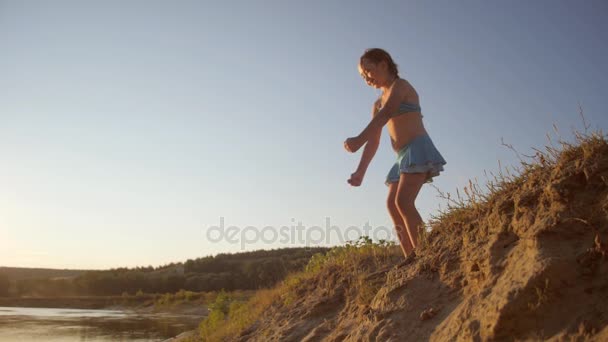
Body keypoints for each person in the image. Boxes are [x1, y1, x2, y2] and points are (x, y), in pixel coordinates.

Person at [344, 48, 446, 261]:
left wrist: (357, 139)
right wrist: (360, 172)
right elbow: (375, 141)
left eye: (368, 71)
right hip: (402, 158)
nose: (366, 78)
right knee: (392, 205)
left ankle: (425, 254)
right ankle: (411, 258)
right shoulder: (377, 103)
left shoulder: (401, 86)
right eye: (362, 76)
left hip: (417, 148)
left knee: (403, 201)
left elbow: (387, 114)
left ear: (384, 64)